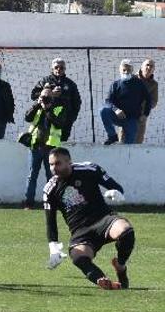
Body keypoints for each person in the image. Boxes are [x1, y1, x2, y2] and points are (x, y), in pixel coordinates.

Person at [43, 148, 134, 289]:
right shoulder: (50, 189)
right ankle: (102, 280)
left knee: (126, 231)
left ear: (69, 161)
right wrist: (53, 247)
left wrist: (117, 192)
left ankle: (120, 266)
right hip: (81, 231)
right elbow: (50, 222)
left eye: (58, 163)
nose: (54, 168)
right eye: (51, 165)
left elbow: (115, 187)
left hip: (104, 220)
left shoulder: (90, 169)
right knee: (78, 257)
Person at [21, 85, 69, 208]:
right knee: (32, 175)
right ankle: (28, 203)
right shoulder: (37, 107)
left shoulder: (59, 108)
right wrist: (38, 105)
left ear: (53, 97)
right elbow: (27, 117)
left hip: (51, 149)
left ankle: (51, 203)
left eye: (47, 97)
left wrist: (47, 109)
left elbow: (59, 124)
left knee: (52, 176)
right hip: (35, 146)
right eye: (43, 96)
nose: (45, 99)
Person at [100, 59, 150, 145]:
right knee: (103, 110)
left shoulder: (139, 84)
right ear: (120, 70)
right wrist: (116, 110)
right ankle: (112, 136)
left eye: (128, 70)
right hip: (118, 117)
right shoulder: (115, 85)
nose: (126, 72)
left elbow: (148, 99)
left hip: (132, 119)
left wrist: (145, 114)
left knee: (129, 146)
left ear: (132, 70)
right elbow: (108, 101)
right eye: (124, 70)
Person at [31, 58, 82, 131]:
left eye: (61, 68)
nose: (59, 69)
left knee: (62, 141)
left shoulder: (70, 84)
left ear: (65, 69)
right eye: (56, 67)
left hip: (64, 120)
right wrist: (49, 93)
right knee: (43, 140)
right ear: (52, 69)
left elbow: (77, 102)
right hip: (46, 117)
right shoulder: (44, 81)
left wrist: (72, 118)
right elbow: (33, 95)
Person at [136, 59, 159, 143]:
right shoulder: (132, 78)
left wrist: (145, 110)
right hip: (128, 115)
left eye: (151, 66)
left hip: (141, 117)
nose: (149, 67)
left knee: (138, 141)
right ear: (142, 67)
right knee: (123, 141)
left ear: (153, 70)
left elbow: (154, 101)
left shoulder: (154, 84)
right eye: (147, 65)